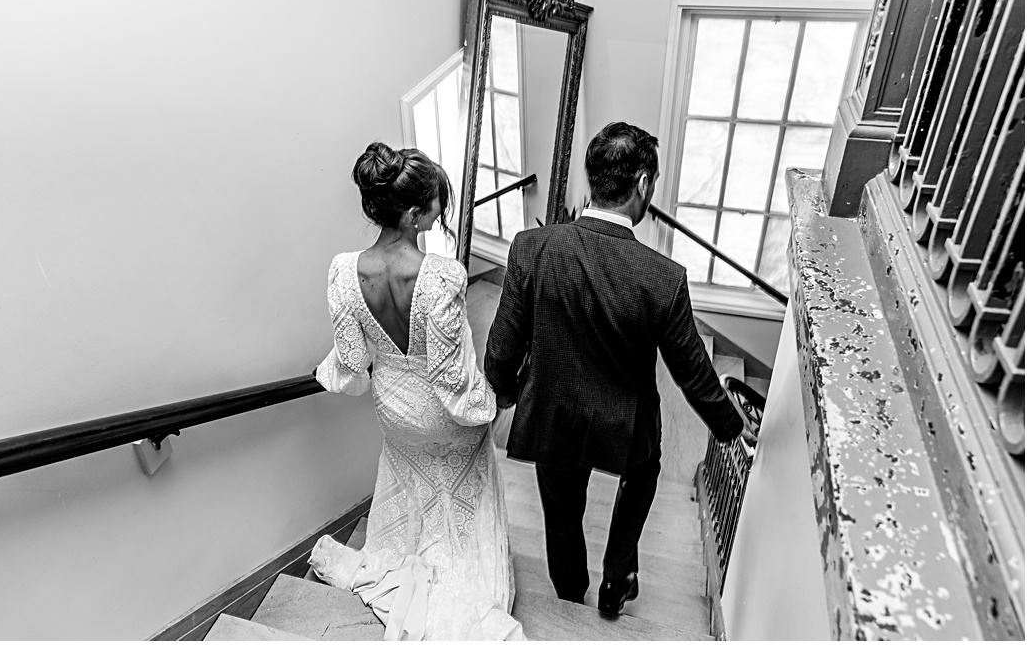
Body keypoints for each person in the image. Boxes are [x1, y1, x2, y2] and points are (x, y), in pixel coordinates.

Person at [482, 122, 753, 621]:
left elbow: (502, 348)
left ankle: (568, 593)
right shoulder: (663, 278)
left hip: (555, 416)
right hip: (626, 428)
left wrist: (502, 391)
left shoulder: (531, 248)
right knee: (644, 471)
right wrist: (732, 429)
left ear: (592, 179)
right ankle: (617, 577)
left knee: (561, 513)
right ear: (644, 185)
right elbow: (692, 373)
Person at [310, 144, 521, 640]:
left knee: (410, 482)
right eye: (434, 204)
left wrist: (326, 372)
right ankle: (459, 567)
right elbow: (453, 383)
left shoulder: (343, 271)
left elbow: (353, 365)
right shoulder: (443, 275)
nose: (439, 211)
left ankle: (408, 553)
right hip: (443, 418)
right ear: (411, 215)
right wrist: (492, 403)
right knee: (464, 480)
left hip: (396, 416)